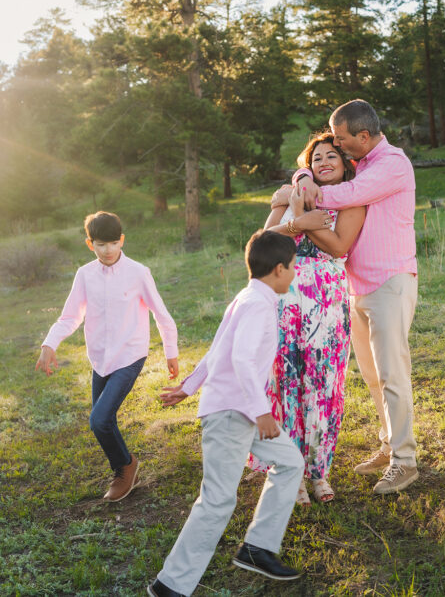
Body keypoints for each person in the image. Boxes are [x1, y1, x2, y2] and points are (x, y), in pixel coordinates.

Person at [149, 230, 304, 597]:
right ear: (280, 269)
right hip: (235, 412)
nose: (295, 274)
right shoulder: (256, 305)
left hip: (242, 411)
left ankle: (258, 548)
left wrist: (188, 386)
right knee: (218, 499)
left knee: (290, 461)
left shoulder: (248, 297)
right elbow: (240, 359)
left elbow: (217, 349)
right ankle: (170, 585)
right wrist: (262, 411)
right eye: (294, 267)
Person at [283, 99, 419, 495]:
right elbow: (319, 165)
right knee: (374, 376)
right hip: (356, 286)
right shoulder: (364, 161)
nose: (338, 146)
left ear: (362, 136)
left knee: (393, 373)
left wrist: (304, 191)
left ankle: (405, 460)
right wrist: (303, 173)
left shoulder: (392, 164)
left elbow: (345, 192)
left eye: (342, 138)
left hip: (390, 281)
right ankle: (388, 442)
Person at [35, 211, 179, 503]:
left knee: (98, 420)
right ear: (90, 244)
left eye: (113, 243)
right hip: (100, 359)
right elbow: (70, 316)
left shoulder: (138, 272)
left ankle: (125, 467)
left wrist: (170, 352)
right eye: (101, 244)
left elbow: (161, 314)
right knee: (104, 420)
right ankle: (123, 466)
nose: (108, 250)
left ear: (122, 240)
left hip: (130, 354)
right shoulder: (85, 275)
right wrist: (49, 344)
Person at [253, 132, 365, 505]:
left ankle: (318, 473)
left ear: (344, 162)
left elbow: (339, 246)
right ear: (308, 166)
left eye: (332, 155)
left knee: (321, 385)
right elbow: (262, 240)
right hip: (282, 299)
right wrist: (299, 220)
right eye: (316, 158)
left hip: (326, 301)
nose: (324, 162)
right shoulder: (291, 196)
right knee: (285, 383)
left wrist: (307, 222)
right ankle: (289, 472)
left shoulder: (352, 200)